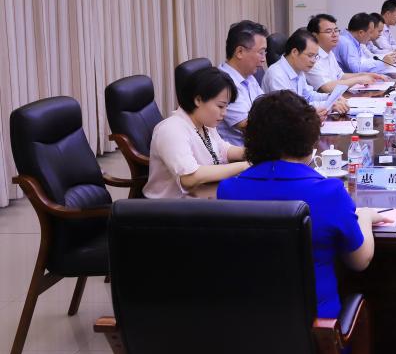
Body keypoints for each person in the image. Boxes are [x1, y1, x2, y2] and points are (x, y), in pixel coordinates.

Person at [218, 91, 383, 319]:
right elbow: (359, 260)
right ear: (308, 139)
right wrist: (364, 216)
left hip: (249, 323)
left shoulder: (228, 190)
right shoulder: (330, 192)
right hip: (317, 327)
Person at [144, 66, 249, 199]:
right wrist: (245, 166)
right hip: (170, 207)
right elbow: (189, 177)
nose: (224, 113)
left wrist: (254, 153)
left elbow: (222, 149)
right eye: (220, 106)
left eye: (226, 107)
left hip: (200, 197)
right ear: (198, 100)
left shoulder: (205, 123)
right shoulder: (171, 129)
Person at [305, 13, 387, 100]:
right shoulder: (311, 57)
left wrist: (365, 75)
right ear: (314, 36)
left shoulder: (329, 52)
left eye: (336, 30)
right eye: (329, 31)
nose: (335, 35)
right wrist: (358, 79)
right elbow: (326, 88)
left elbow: (340, 76)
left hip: (336, 99)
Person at [261, 29, 335, 119]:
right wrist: (329, 104)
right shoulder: (276, 75)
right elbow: (290, 109)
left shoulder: (298, 69)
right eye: (310, 55)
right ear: (294, 52)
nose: (313, 61)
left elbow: (308, 96)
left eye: (316, 56)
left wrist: (331, 97)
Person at [218, 20, 269, 146]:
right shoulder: (223, 83)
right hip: (239, 153)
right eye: (261, 53)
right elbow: (250, 127)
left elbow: (266, 107)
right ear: (240, 52)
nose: (264, 59)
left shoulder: (248, 76)